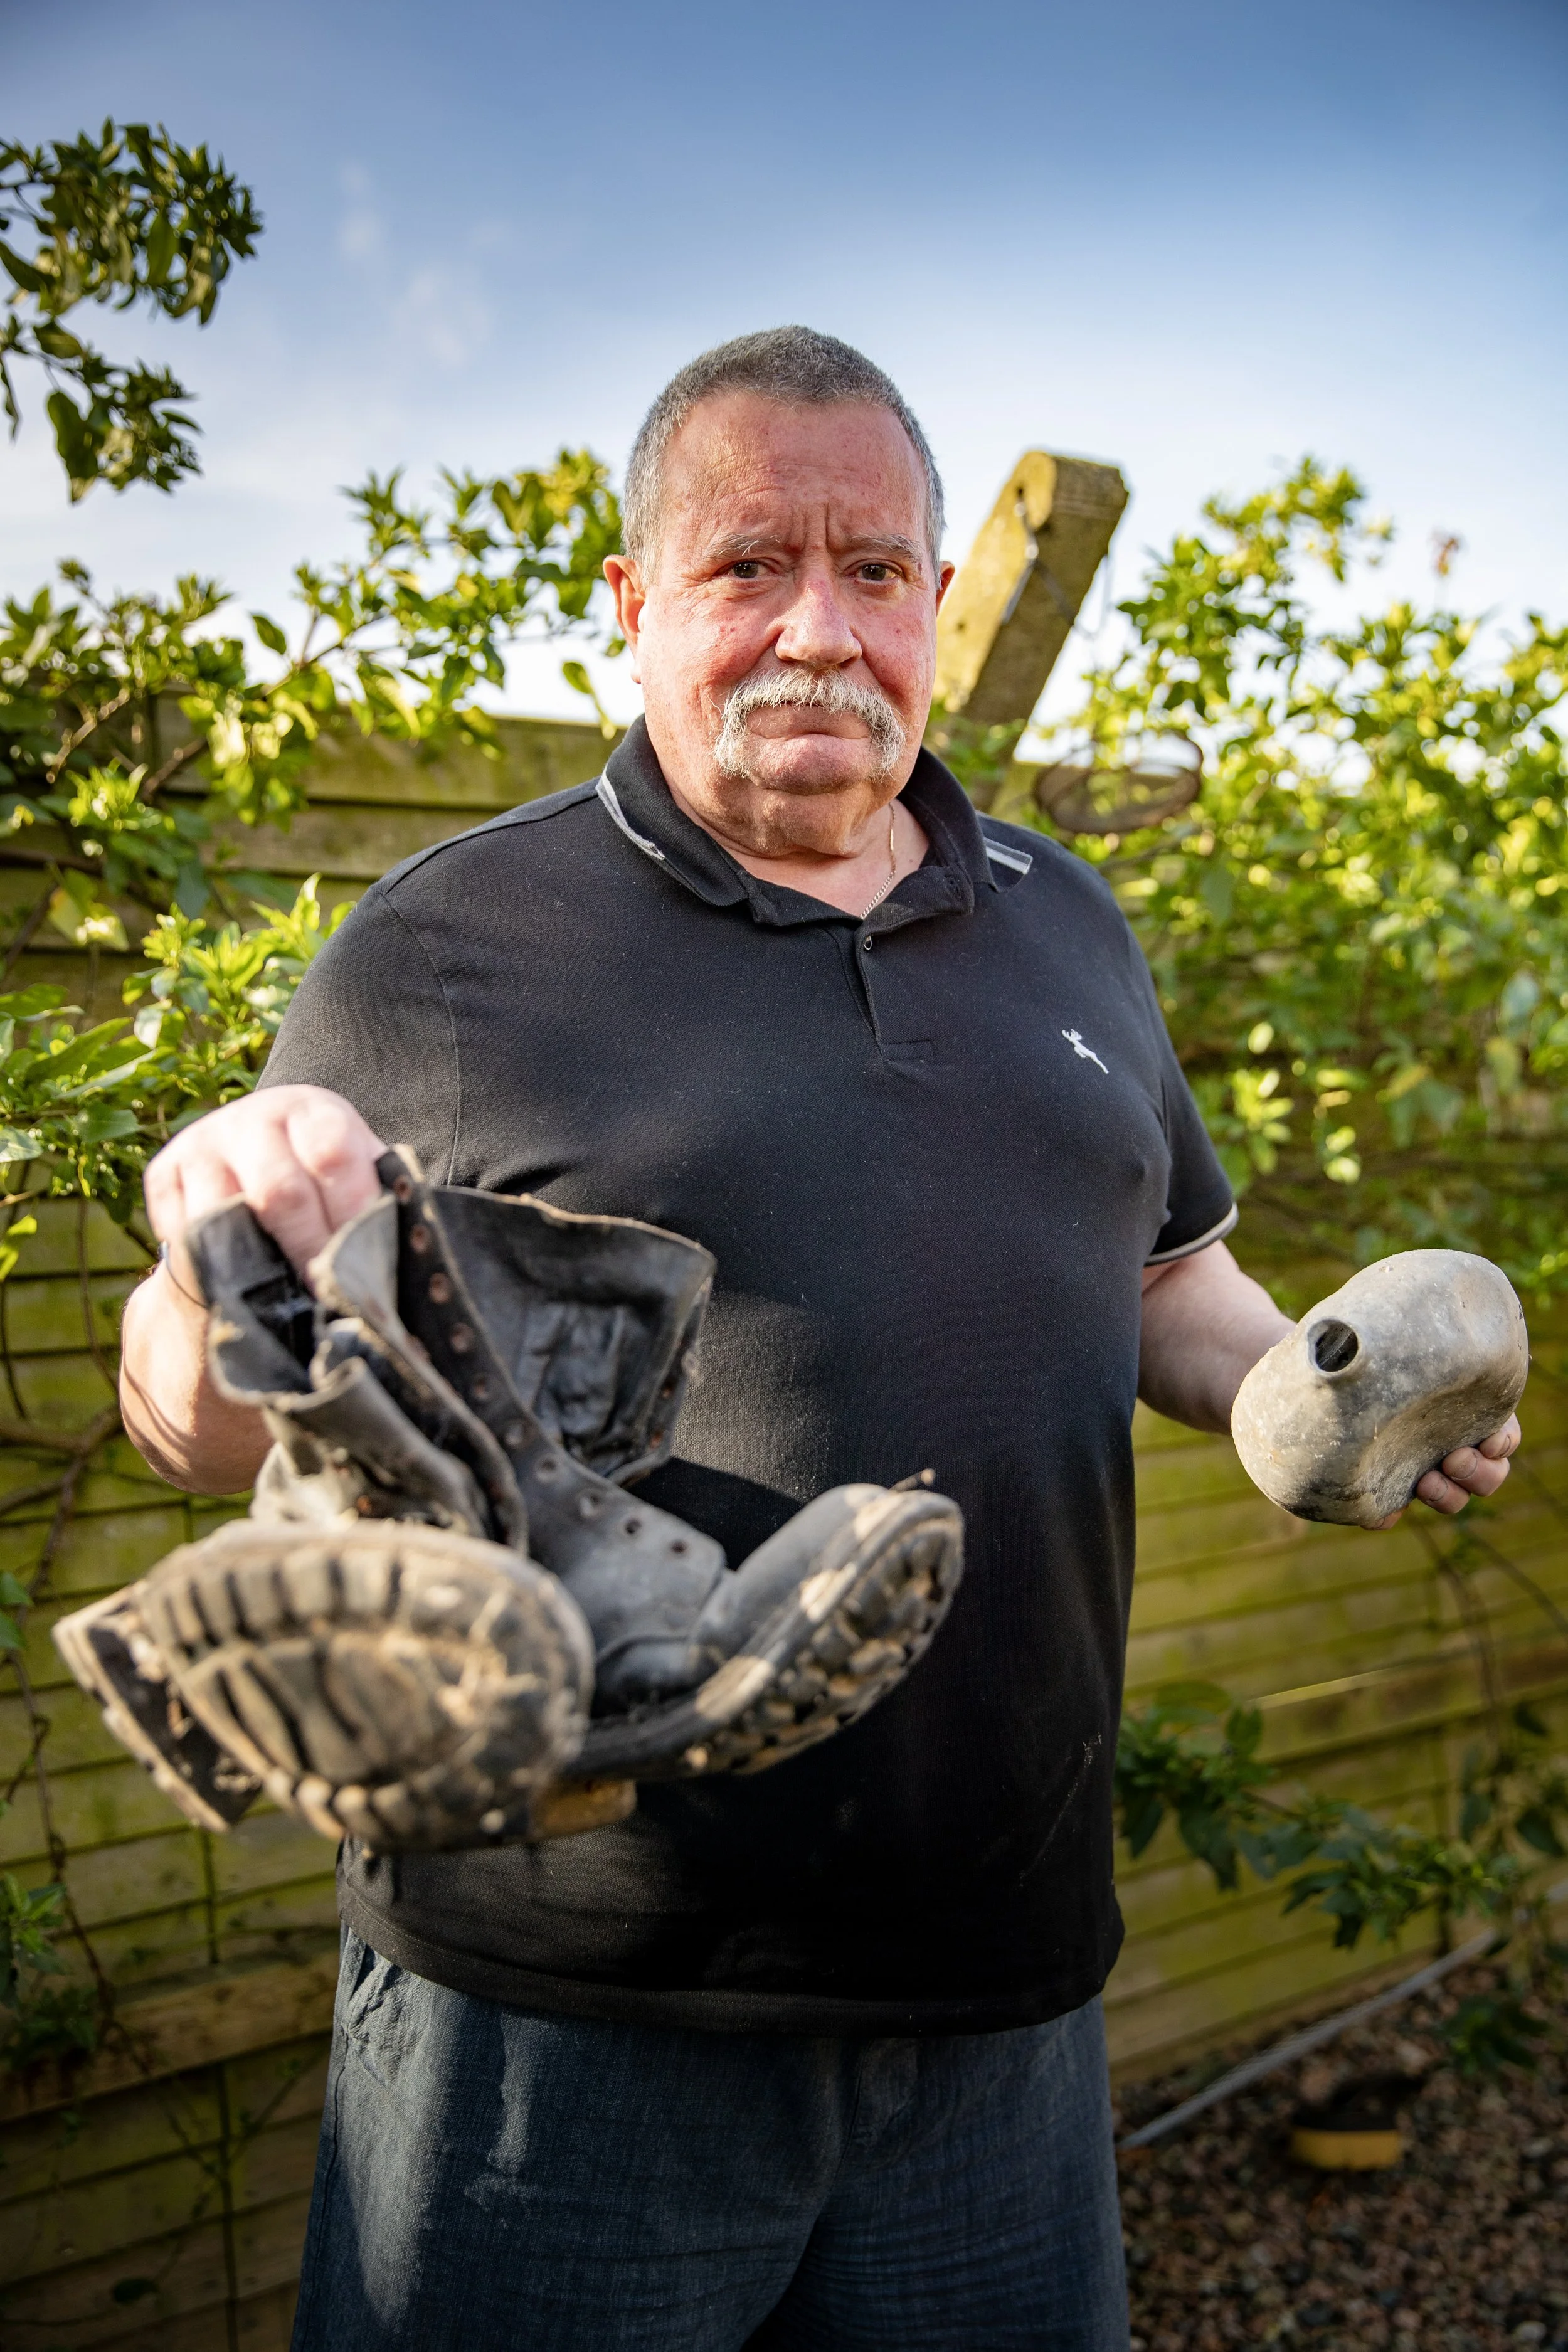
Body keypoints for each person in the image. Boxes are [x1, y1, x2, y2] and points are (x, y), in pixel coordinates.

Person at [119, 328, 1519, 2352]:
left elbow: (1157, 1282)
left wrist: (1316, 1381)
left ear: (937, 603)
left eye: (872, 570)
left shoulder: (1063, 918)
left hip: (1001, 1994)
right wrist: (198, 1256)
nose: (816, 628)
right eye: (744, 563)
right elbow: (185, 1417)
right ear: (630, 606)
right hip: (565, 2018)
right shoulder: (447, 951)